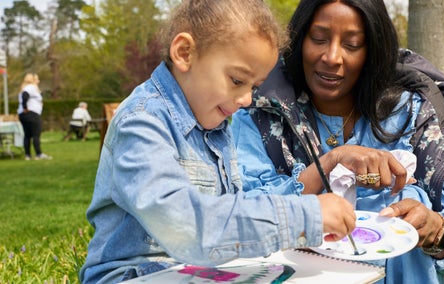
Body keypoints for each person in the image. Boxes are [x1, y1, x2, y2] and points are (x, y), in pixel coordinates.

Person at [79, 1, 410, 283]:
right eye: (237, 80)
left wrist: (315, 197)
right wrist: (303, 216)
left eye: (255, 85)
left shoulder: (214, 124)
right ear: (184, 53)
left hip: (202, 271)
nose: (247, 99)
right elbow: (185, 224)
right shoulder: (143, 122)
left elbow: (239, 206)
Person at [231, 0, 444, 283]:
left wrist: (435, 230)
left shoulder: (410, 115)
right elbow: (240, 221)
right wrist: (331, 161)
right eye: (318, 38)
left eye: (352, 44)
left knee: (410, 196)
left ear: (372, 51)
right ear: (297, 41)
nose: (332, 57)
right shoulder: (259, 113)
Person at [17, 73, 52, 160]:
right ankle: (38, 154)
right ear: (32, 80)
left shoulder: (23, 88)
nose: (38, 81)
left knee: (27, 135)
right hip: (32, 113)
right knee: (36, 134)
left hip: (23, 115)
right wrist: (26, 107)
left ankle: (27, 155)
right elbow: (25, 95)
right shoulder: (30, 87)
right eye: (37, 79)